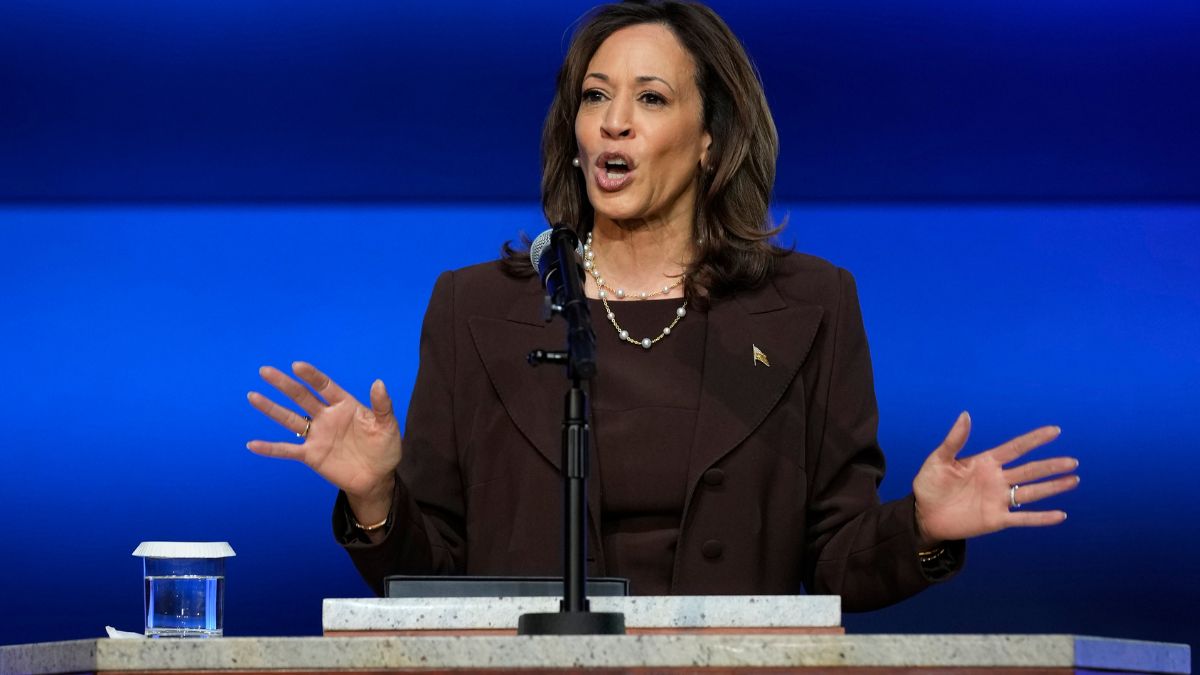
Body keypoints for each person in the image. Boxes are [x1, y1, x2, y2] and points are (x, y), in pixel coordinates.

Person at [246, 1, 1079, 610]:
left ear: (710, 137)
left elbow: (834, 564)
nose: (614, 125)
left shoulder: (810, 305)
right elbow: (435, 582)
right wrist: (375, 500)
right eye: (594, 97)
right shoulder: (475, 309)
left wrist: (925, 528)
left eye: (649, 99)